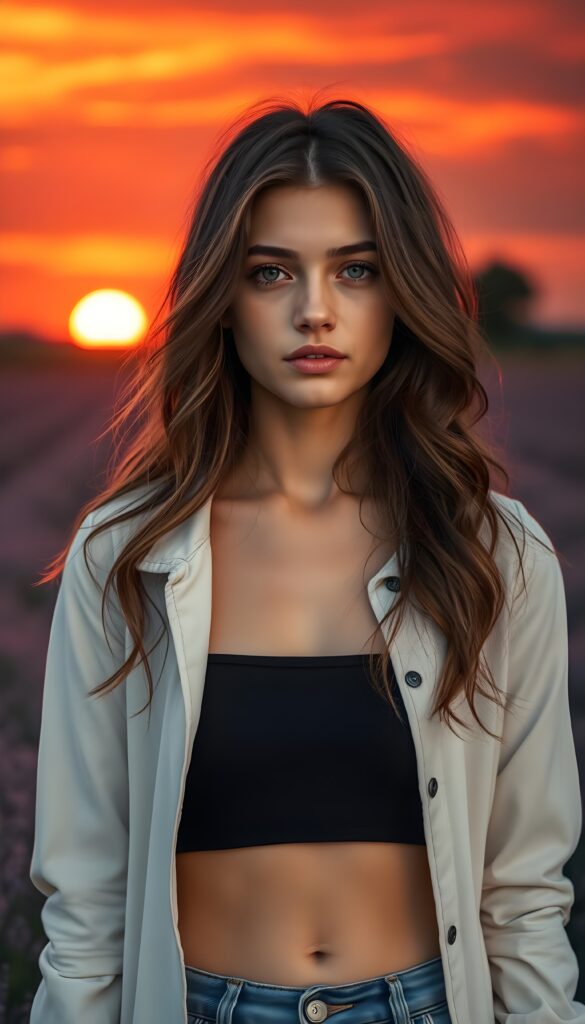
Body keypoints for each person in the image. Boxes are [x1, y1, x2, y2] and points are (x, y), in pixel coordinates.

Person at [29, 94, 584, 1024]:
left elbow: (524, 897)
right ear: (224, 297)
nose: (314, 310)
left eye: (356, 270)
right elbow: (85, 905)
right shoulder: (125, 556)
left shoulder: (495, 554)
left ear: (401, 291)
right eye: (272, 271)